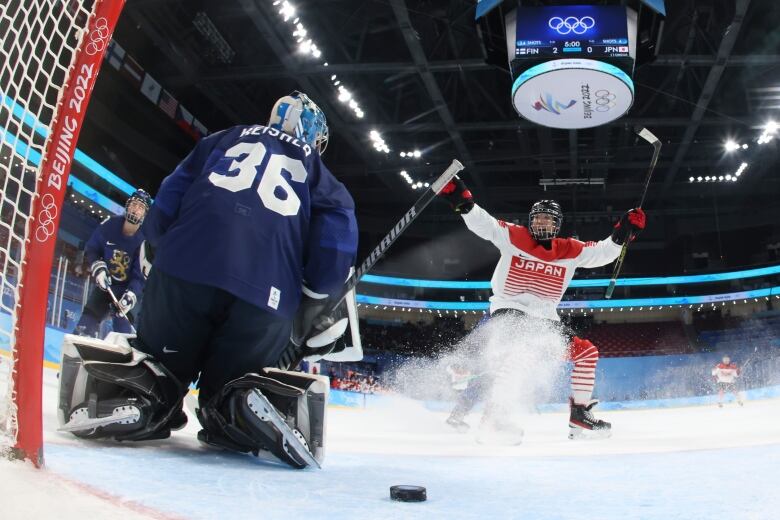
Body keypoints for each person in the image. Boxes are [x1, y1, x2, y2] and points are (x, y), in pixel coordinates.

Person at [57, 92, 358, 469]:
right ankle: (234, 408)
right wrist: (313, 298)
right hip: (264, 295)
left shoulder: (224, 138)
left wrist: (161, 247)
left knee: (162, 365)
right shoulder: (322, 176)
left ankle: (146, 394)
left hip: (183, 269)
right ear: (312, 132)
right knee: (234, 380)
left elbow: (167, 200)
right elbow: (333, 251)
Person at [439, 176, 646, 439]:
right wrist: (462, 200)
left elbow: (603, 252)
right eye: (537, 218)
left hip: (545, 320)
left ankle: (579, 415)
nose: (541, 222)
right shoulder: (514, 236)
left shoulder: (571, 249)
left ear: (557, 224)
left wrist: (622, 233)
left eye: (547, 218)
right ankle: (495, 418)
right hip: (509, 310)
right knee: (517, 354)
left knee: (587, 353)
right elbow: (485, 224)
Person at [73, 189, 151, 337]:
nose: (136, 209)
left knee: (122, 337)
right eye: (134, 204)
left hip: (126, 292)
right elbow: (92, 248)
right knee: (84, 327)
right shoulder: (110, 225)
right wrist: (98, 266)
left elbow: (140, 275)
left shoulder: (144, 241)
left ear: (145, 215)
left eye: (141, 208)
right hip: (106, 286)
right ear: (128, 206)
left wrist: (132, 294)